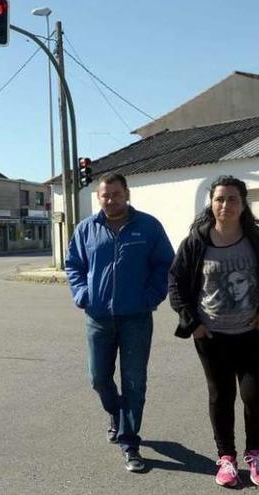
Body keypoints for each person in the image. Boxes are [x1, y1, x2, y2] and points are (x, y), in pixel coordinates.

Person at [168, 175, 259, 487]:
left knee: (256, 395)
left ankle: (255, 455)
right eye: (220, 199)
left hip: (253, 334)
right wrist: (191, 322)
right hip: (212, 336)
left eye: (232, 199)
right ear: (212, 203)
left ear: (243, 203)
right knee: (221, 396)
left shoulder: (258, 239)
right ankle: (227, 459)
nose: (225, 205)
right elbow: (176, 283)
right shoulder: (196, 242)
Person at [66, 172, 175, 473]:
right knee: (98, 378)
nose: (110, 200)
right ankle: (116, 413)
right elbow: (73, 264)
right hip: (98, 316)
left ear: (127, 194)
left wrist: (151, 297)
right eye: (105, 195)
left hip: (136, 318)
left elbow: (165, 263)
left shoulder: (148, 226)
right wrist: (83, 294)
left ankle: (130, 444)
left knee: (134, 382)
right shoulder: (87, 228)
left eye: (116, 194)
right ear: (98, 197)